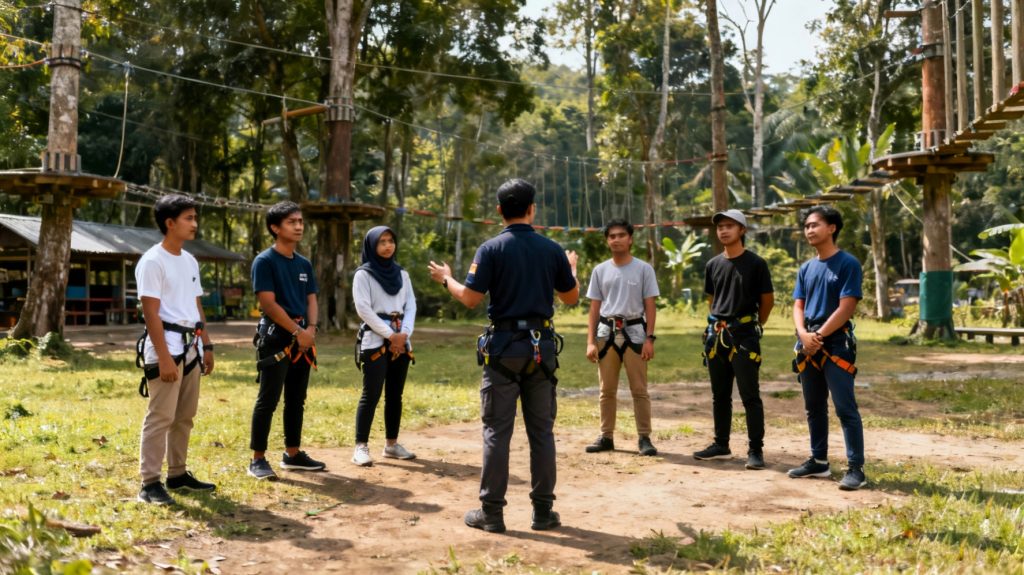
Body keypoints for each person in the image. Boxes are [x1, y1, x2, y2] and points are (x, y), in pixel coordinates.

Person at [428, 178, 579, 534]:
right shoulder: (552, 249)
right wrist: (570, 269)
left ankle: (492, 513)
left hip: (503, 350)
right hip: (540, 350)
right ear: (532, 209)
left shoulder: (490, 249)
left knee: (497, 431)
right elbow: (571, 298)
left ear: (499, 211)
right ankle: (543, 512)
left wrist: (446, 279)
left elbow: (469, 298)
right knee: (542, 432)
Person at [135, 194, 215, 505]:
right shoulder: (153, 261)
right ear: (170, 223)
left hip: (192, 346)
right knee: (161, 416)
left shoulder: (189, 260)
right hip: (165, 348)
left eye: (195, 218)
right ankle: (150, 482)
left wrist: (206, 344)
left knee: (185, 416)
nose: (194, 224)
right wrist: (165, 358)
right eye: (189, 218)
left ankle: (178, 473)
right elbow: (150, 313)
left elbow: (196, 305)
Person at [788, 205, 867, 491]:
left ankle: (856, 468)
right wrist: (802, 334)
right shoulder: (806, 268)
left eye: (815, 225)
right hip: (807, 342)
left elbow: (847, 307)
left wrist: (817, 336)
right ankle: (819, 461)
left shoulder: (848, 264)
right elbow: (798, 304)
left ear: (832, 228)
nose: (809, 230)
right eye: (807, 226)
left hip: (834, 343)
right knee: (814, 407)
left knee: (845, 407)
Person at [247, 201, 326, 481]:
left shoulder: (303, 263)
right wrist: (297, 332)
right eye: (292, 222)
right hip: (277, 338)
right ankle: (257, 459)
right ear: (274, 227)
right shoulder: (265, 262)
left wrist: (312, 329)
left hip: (304, 338)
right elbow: (268, 304)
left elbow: (311, 299)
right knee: (268, 399)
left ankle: (293, 454)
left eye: (301, 221)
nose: (298, 226)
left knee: (296, 399)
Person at [693, 209, 774, 470]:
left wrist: (752, 325)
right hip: (717, 336)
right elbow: (711, 299)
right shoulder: (713, 264)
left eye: (730, 225)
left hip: (745, 337)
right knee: (720, 395)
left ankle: (755, 450)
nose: (723, 230)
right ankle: (721, 444)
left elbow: (767, 302)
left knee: (750, 395)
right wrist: (717, 324)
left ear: (742, 230)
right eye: (720, 227)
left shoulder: (756, 264)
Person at [583, 219, 660, 457]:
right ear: (607, 240)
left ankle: (644, 437)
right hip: (606, 334)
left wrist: (649, 338)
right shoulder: (600, 270)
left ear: (630, 239)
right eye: (611, 236)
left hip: (635, 333)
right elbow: (594, 308)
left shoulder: (643, 269)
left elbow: (650, 306)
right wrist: (590, 341)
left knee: (639, 389)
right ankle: (606, 436)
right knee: (606, 390)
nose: (616, 239)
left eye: (620, 235)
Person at [351, 226, 418, 466]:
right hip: (375, 341)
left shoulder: (402, 274)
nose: (388, 246)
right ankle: (360, 446)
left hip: (401, 339)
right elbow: (364, 309)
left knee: (395, 395)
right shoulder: (363, 275)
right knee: (371, 394)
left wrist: (404, 333)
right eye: (382, 242)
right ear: (372, 246)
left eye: (391, 241)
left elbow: (411, 305)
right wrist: (391, 335)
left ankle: (391, 444)